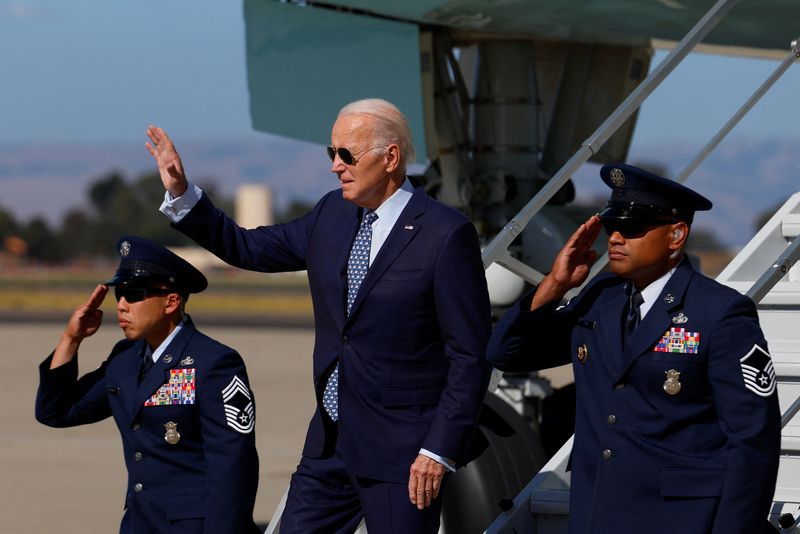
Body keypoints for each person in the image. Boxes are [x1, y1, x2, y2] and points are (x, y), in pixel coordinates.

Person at [145, 98, 492, 533]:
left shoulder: (444, 233)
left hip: (403, 455)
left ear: (390, 159)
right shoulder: (331, 213)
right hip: (330, 445)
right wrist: (182, 195)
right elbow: (246, 247)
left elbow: (470, 356)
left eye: (347, 154)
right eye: (332, 153)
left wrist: (438, 450)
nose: (335, 166)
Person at [487, 163, 781, 534]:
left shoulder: (719, 312)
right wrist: (554, 284)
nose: (615, 238)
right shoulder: (600, 300)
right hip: (600, 514)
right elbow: (506, 353)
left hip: (682, 521)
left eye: (633, 228)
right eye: (613, 227)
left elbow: (753, 439)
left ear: (676, 235)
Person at [35, 236, 261, 534]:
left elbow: (234, 468)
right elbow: (57, 411)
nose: (122, 305)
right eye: (120, 294)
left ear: (171, 301)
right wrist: (71, 339)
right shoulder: (125, 360)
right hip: (139, 524)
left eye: (135, 293)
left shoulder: (214, 362)